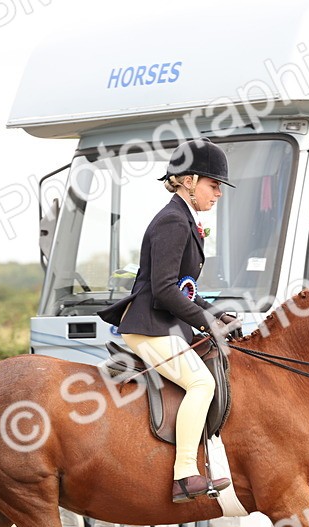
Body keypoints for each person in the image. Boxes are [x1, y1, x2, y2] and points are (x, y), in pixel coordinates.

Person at [99, 139, 241, 503]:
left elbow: (185, 288)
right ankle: (185, 475)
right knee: (201, 384)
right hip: (148, 325)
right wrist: (207, 324)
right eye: (214, 185)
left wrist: (215, 313)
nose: (219, 194)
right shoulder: (173, 222)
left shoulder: (184, 220)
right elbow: (163, 290)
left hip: (164, 324)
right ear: (189, 180)